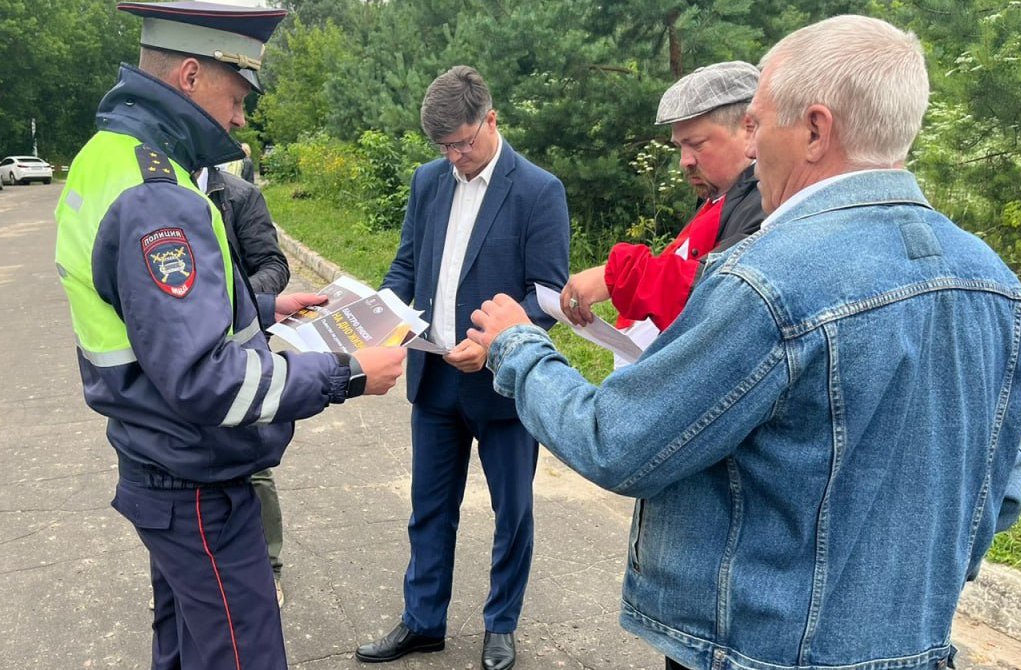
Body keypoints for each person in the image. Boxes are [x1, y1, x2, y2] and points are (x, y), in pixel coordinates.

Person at [466, 15, 1021, 670]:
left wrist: (519, 348)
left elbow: (615, 443)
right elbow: (1004, 480)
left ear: (816, 130)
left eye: (759, 125)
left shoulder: (767, 282)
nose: (751, 146)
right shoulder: (999, 286)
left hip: (760, 652)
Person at [53, 2, 405, 668]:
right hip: (198, 486)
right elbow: (205, 379)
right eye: (237, 95)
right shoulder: (160, 195)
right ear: (190, 75)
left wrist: (265, 309)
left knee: (185, 651)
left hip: (157, 463)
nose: (243, 116)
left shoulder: (107, 158)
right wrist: (349, 373)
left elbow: (147, 317)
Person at [356, 65, 570, 670]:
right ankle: (423, 621)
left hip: (501, 385)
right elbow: (405, 268)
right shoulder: (429, 182)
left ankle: (500, 625)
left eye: (463, 143)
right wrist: (380, 316)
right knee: (429, 509)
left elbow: (548, 294)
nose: (455, 157)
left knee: (512, 511)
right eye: (443, 146)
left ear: (491, 120)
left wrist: (497, 344)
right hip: (435, 378)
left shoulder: (537, 190)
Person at [559, 61, 763, 339]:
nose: (684, 161)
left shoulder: (768, 201)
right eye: (680, 146)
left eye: (697, 144)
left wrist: (620, 276)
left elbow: (716, 292)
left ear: (748, 129)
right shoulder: (722, 194)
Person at [198, 163, 291, 605]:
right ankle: (190, 575)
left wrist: (229, 305)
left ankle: (268, 566)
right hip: (178, 355)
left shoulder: (238, 195)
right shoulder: (148, 193)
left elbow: (274, 265)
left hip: (239, 351)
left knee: (254, 466)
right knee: (181, 466)